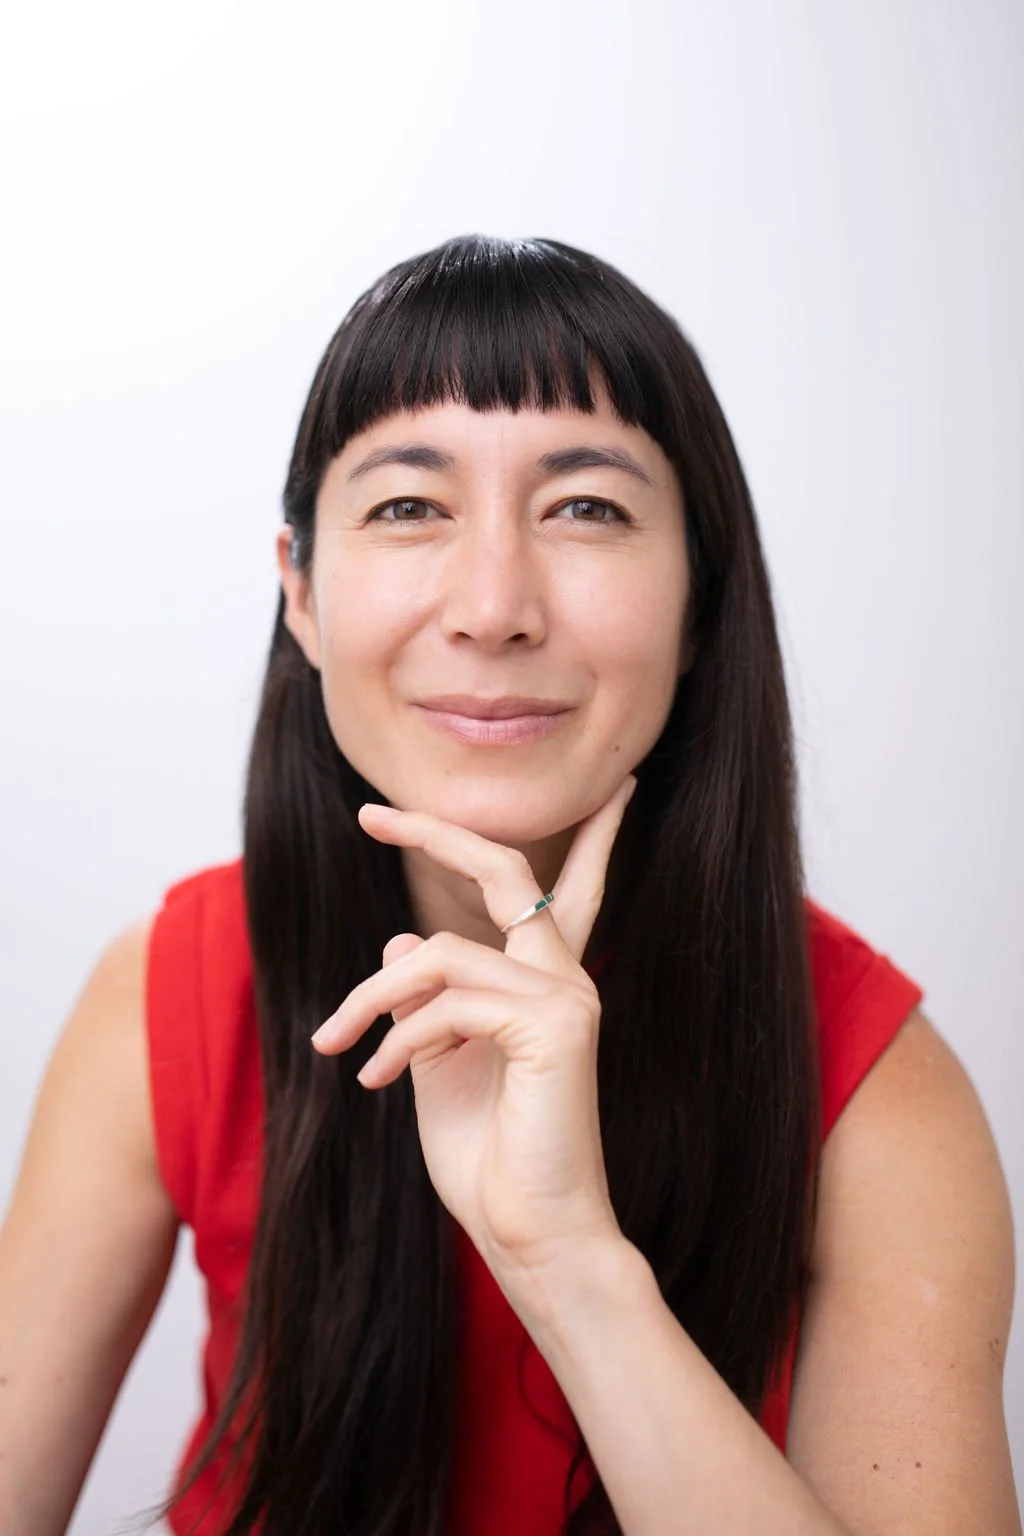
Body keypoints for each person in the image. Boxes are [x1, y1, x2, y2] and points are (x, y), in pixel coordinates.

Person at [0, 234, 1018, 1536]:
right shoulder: (173, 989)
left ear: (703, 602)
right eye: (409, 507)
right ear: (300, 594)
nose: (492, 606)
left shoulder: (874, 1089)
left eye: (585, 507)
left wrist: (569, 1261)